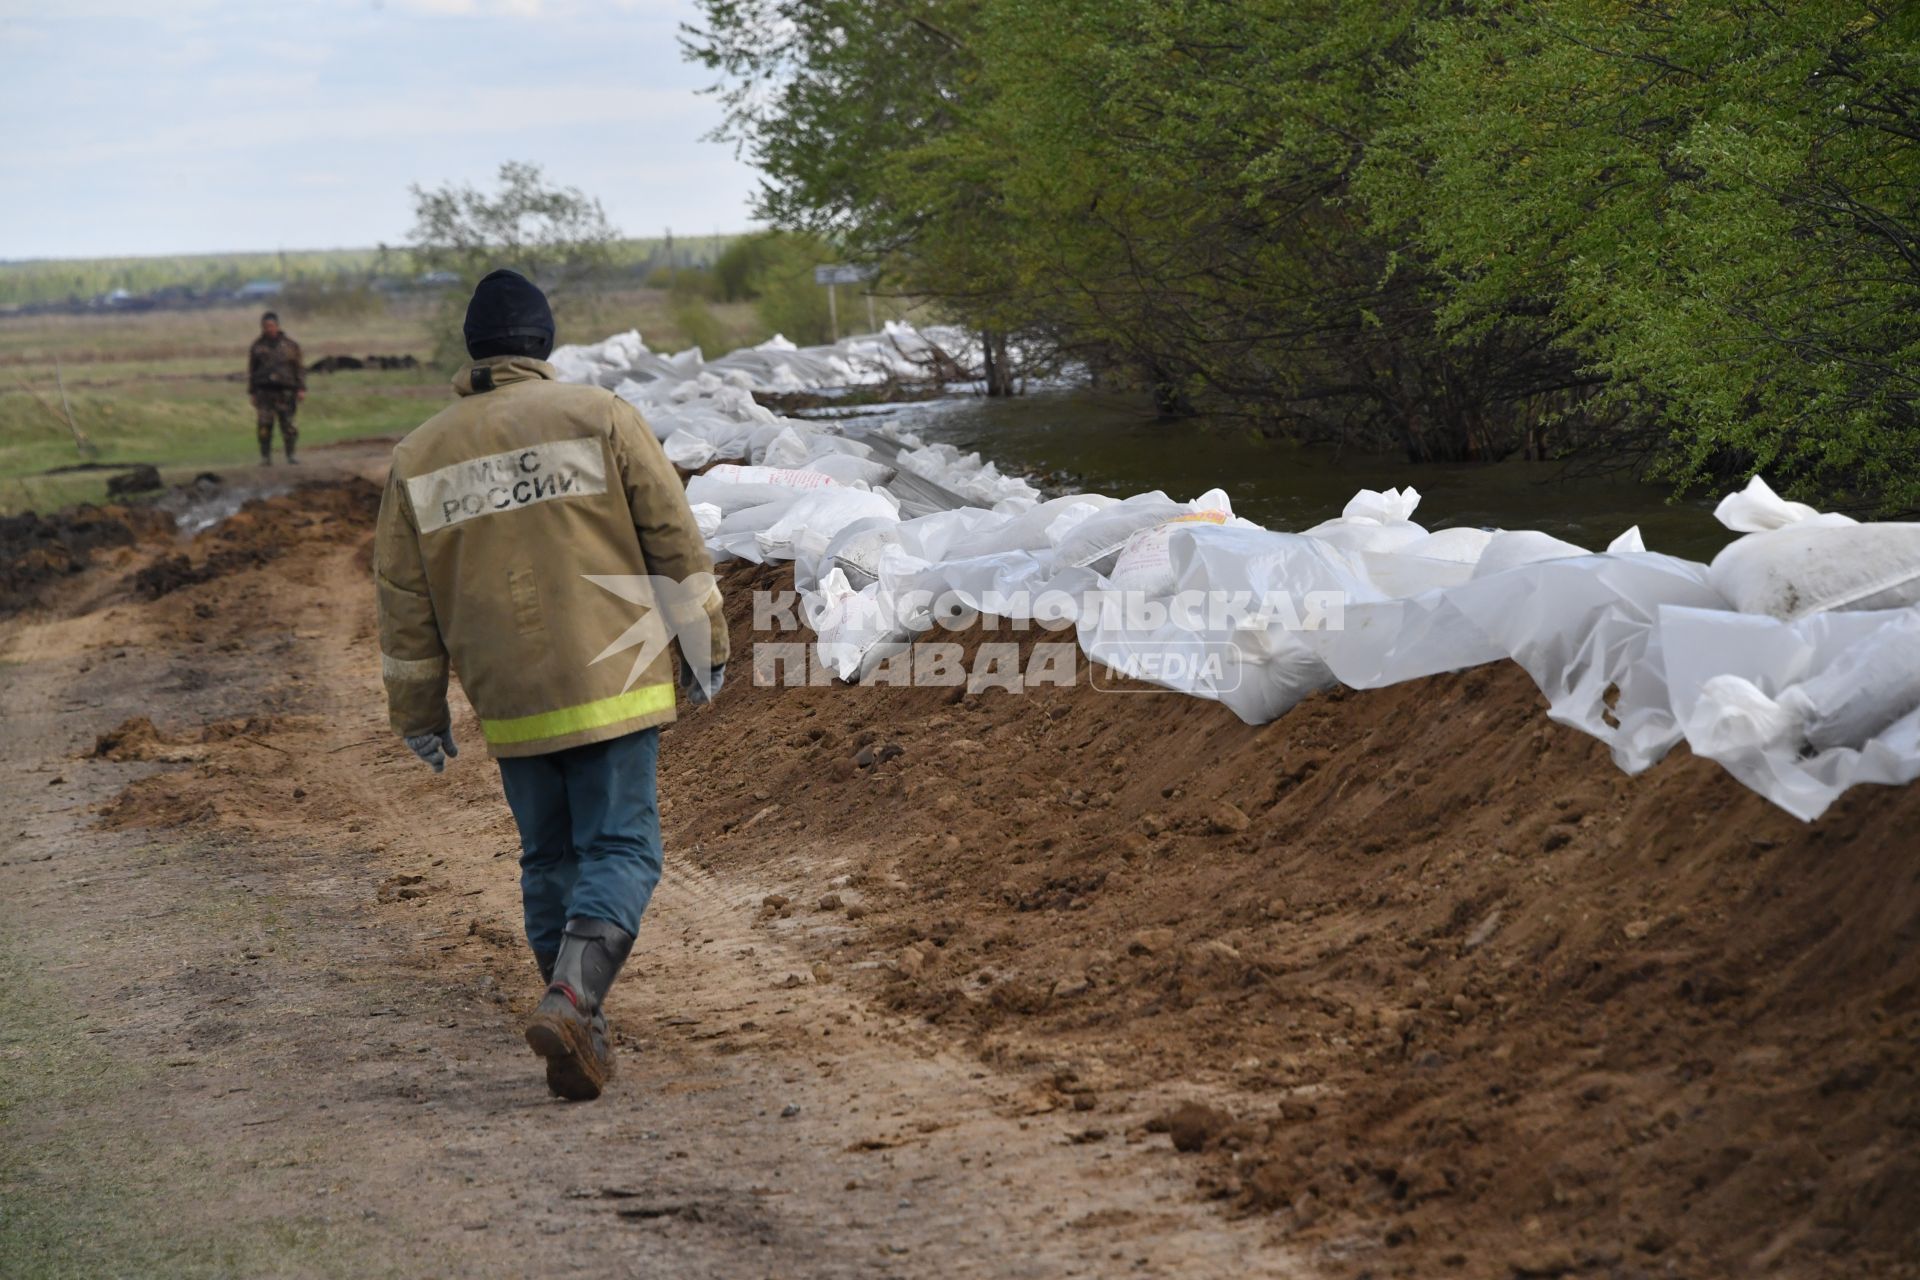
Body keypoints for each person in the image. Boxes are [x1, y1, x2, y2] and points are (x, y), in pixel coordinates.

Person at [372, 269, 728, 1101]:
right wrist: (706, 644)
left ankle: (579, 1026)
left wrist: (418, 713)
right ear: (543, 346)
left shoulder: (417, 457)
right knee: (623, 848)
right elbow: (674, 542)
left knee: (549, 858)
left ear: (474, 350)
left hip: (512, 701)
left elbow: (403, 601)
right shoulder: (599, 417)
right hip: (615, 681)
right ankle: (572, 997)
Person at [247, 311, 305, 465]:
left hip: (285, 391)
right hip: (264, 392)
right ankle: (265, 457)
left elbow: (299, 368)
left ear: (277, 326)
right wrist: (252, 392)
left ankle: (291, 455)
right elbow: (252, 370)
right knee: (264, 426)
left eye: (271, 326)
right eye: (266, 326)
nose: (269, 329)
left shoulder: (291, 346)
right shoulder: (257, 347)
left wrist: (301, 389)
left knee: (288, 425)